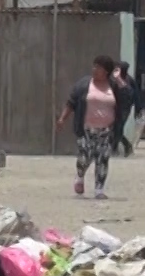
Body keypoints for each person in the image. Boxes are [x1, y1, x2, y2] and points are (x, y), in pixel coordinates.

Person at [56, 55, 132, 198]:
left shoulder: (114, 86)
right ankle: (80, 176)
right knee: (85, 156)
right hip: (86, 129)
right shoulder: (84, 85)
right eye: (94, 66)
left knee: (102, 159)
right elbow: (71, 103)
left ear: (107, 71)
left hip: (107, 131)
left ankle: (99, 190)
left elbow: (128, 97)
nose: (95, 70)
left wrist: (119, 79)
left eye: (99, 68)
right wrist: (62, 119)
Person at [113, 61, 138, 156]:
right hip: (116, 107)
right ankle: (118, 147)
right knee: (116, 129)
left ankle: (124, 146)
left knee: (119, 128)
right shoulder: (116, 80)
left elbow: (135, 95)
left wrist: (138, 108)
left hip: (125, 109)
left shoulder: (129, 80)